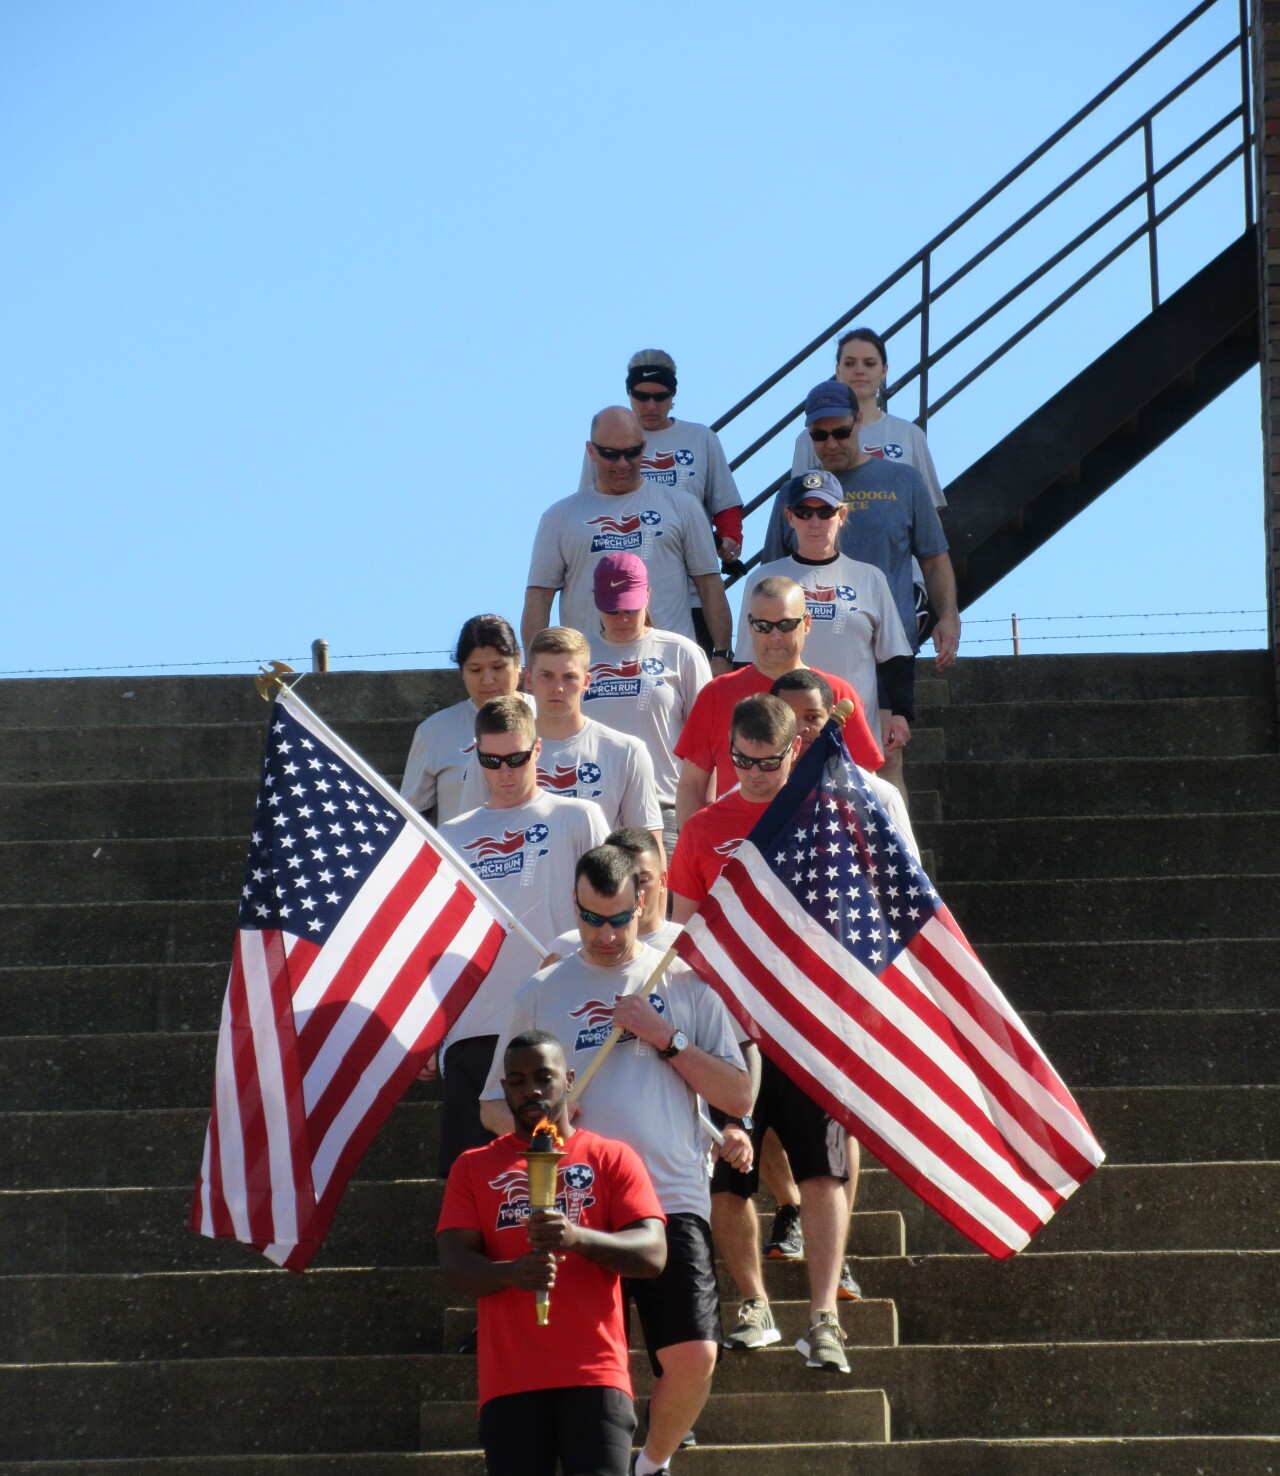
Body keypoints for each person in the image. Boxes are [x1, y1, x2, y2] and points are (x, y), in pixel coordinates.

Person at [479, 845, 751, 1476]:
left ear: (644, 902)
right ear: (575, 907)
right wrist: (542, 1119)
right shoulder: (542, 990)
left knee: (694, 1354)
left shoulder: (680, 980)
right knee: (593, 1372)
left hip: (670, 1195)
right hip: (578, 1201)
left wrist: (667, 1038)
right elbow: (492, 1105)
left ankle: (650, 1464)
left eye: (619, 918)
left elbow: (738, 1094)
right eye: (591, 919)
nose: (605, 935)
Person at [668, 695, 854, 1373]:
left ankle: (825, 1314)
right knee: (727, 1179)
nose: (751, 773)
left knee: (824, 1171)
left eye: (767, 762)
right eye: (740, 760)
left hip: (807, 1026)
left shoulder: (826, 818)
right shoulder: (701, 829)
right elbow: (683, 936)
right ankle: (753, 1302)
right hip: (729, 1030)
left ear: (793, 752)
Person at [437, 1030, 666, 1476]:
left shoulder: (610, 1157)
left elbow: (653, 1254)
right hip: (510, 1381)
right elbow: (454, 1264)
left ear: (569, 1080)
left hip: (595, 1375)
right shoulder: (473, 1166)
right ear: (503, 1089)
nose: (531, 1090)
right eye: (517, 1080)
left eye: (544, 1077)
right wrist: (512, 1273)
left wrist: (577, 1238)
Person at [758, 669, 921, 1291]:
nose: (801, 732)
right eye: (788, 720)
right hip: (765, 987)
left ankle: (836, 1245)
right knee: (763, 1118)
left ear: (835, 722)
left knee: (837, 1118)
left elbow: (906, 897)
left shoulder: (877, 797)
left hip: (844, 987)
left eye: (813, 720)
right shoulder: (749, 797)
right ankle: (792, 1206)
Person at [433, 696, 610, 1175]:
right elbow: (436, 943)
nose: (505, 772)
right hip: (472, 1027)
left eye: (515, 758)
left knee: (565, 1177)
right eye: (491, 761)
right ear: (477, 757)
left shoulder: (578, 817)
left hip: (555, 1022)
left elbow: (610, 911)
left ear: (537, 751)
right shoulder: (449, 836)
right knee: (471, 1184)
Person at [763, 380, 961, 797]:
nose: (830, 443)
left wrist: (948, 614)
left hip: (883, 648)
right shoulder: (794, 495)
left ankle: (897, 858)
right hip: (804, 652)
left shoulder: (903, 480)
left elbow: (934, 556)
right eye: (819, 435)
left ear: (858, 423)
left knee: (884, 760)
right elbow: (770, 579)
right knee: (790, 761)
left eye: (840, 431)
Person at [523, 404, 736, 666]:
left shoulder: (683, 506)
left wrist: (723, 654)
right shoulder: (559, 517)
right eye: (611, 454)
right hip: (588, 673)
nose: (623, 463)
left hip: (669, 670)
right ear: (591, 451)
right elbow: (539, 597)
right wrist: (534, 667)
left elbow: (709, 584)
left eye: (632, 453)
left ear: (644, 447)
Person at [735, 469, 914, 763]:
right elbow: (745, 658)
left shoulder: (870, 578)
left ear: (841, 515)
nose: (815, 522)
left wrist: (901, 714)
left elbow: (894, 655)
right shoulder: (763, 579)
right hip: (780, 736)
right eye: (804, 512)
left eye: (825, 512)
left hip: (850, 728)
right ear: (790, 517)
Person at [673, 574, 882, 826]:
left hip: (822, 847)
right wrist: (695, 853)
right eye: (763, 626)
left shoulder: (837, 693)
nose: (774, 636)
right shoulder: (716, 694)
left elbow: (865, 783)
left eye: (785, 625)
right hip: (737, 849)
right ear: (750, 626)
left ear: (806, 623)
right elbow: (692, 786)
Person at [578, 349, 745, 653]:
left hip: (690, 587)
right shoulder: (608, 441)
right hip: (620, 590)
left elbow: (725, 501)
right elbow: (588, 508)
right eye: (642, 396)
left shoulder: (701, 438)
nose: (651, 406)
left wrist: (731, 539)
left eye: (661, 396)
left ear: (673, 394)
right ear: (629, 394)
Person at [791, 327, 946, 642]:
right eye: (849, 363)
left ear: (885, 371)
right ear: (837, 371)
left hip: (900, 581)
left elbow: (931, 520)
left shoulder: (909, 435)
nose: (859, 370)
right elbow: (797, 510)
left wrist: (945, 605)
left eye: (869, 363)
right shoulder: (809, 439)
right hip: (831, 582)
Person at [457, 626, 664, 850]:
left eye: (569, 677)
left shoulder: (626, 752)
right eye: (546, 676)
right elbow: (468, 836)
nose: (557, 688)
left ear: (586, 681)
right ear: (528, 679)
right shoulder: (493, 755)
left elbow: (647, 851)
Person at [583, 551, 711, 858]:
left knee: (663, 906)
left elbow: (710, 744)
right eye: (612, 610)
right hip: (593, 812)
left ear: (648, 595)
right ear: (596, 601)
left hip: (665, 808)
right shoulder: (579, 657)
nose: (623, 618)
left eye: (630, 608)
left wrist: (704, 817)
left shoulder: (682, 653)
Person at [400, 614, 529, 824]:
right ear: (461, 671)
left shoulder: (547, 717)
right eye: (475, 670)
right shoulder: (434, 732)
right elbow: (409, 821)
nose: (488, 680)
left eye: (498, 667)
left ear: (518, 661)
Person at [554, 826, 682, 955]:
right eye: (619, 881)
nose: (633, 891)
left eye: (642, 880)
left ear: (663, 881)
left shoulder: (687, 946)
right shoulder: (565, 949)